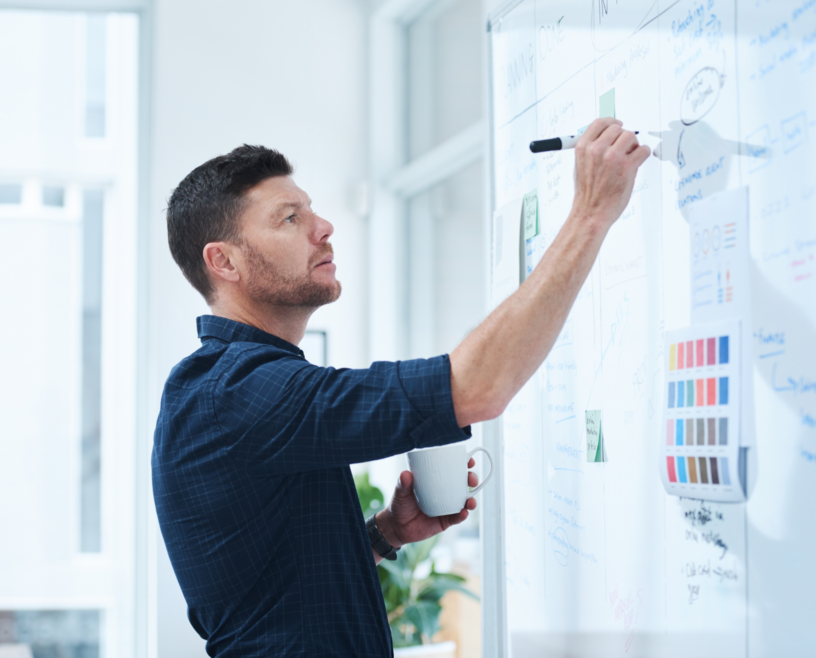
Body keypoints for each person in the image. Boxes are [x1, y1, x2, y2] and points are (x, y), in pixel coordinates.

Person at [152, 117, 650, 657]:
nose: (323, 228)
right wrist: (591, 214)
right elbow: (476, 387)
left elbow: (267, 589)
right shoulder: (237, 391)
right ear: (223, 261)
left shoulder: (239, 385)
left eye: (310, 210)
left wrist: (383, 534)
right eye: (289, 219)